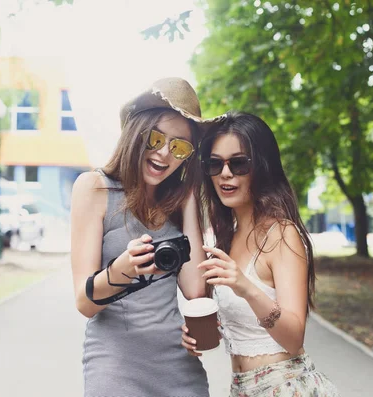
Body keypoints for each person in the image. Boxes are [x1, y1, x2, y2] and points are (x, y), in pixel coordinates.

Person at [70, 77, 224, 397]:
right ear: (136, 133)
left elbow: (196, 290)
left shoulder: (179, 202)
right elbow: (85, 303)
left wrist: (190, 196)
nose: (165, 153)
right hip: (114, 368)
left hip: (179, 368)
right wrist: (123, 269)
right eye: (156, 138)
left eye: (180, 147)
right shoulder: (94, 188)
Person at [181, 111, 340, 396]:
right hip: (241, 388)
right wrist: (204, 331)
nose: (225, 174)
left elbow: (293, 337)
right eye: (215, 164)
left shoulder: (281, 234)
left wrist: (247, 288)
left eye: (239, 163)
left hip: (285, 386)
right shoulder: (227, 237)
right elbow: (244, 326)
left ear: (262, 167)